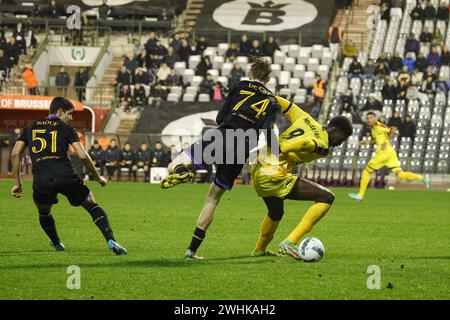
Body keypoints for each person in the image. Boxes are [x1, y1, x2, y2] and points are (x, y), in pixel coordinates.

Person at [160, 57, 281, 260]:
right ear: (268, 78)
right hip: (241, 148)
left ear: (251, 74)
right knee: (213, 198)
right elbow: (267, 131)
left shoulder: (240, 86)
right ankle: (191, 250)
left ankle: (183, 172)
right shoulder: (273, 102)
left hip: (222, 136)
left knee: (174, 165)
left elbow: (218, 118)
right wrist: (277, 153)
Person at [10, 97, 127, 254]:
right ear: (59, 111)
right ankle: (111, 240)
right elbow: (83, 156)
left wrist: (17, 183)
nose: (71, 118)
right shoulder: (65, 128)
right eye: (69, 114)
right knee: (91, 204)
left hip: (42, 179)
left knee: (44, 212)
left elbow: (15, 153)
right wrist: (97, 176)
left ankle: (57, 243)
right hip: (66, 176)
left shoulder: (30, 127)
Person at [251, 96, 353, 258]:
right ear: (335, 131)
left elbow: (281, 103)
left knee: (276, 211)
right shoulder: (323, 145)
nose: (340, 144)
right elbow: (306, 144)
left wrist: (265, 96)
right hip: (273, 173)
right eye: (342, 139)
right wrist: (283, 147)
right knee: (327, 197)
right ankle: (290, 242)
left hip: (259, 166)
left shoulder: (305, 117)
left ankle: (259, 249)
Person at [349, 112, 430, 202]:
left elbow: (392, 130)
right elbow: (377, 139)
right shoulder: (373, 129)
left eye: (371, 117)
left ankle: (360, 195)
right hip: (390, 153)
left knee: (367, 171)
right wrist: (368, 142)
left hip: (383, 153)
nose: (369, 120)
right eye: (368, 118)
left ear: (375, 118)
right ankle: (422, 178)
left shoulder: (379, 125)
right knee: (400, 174)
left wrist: (386, 141)